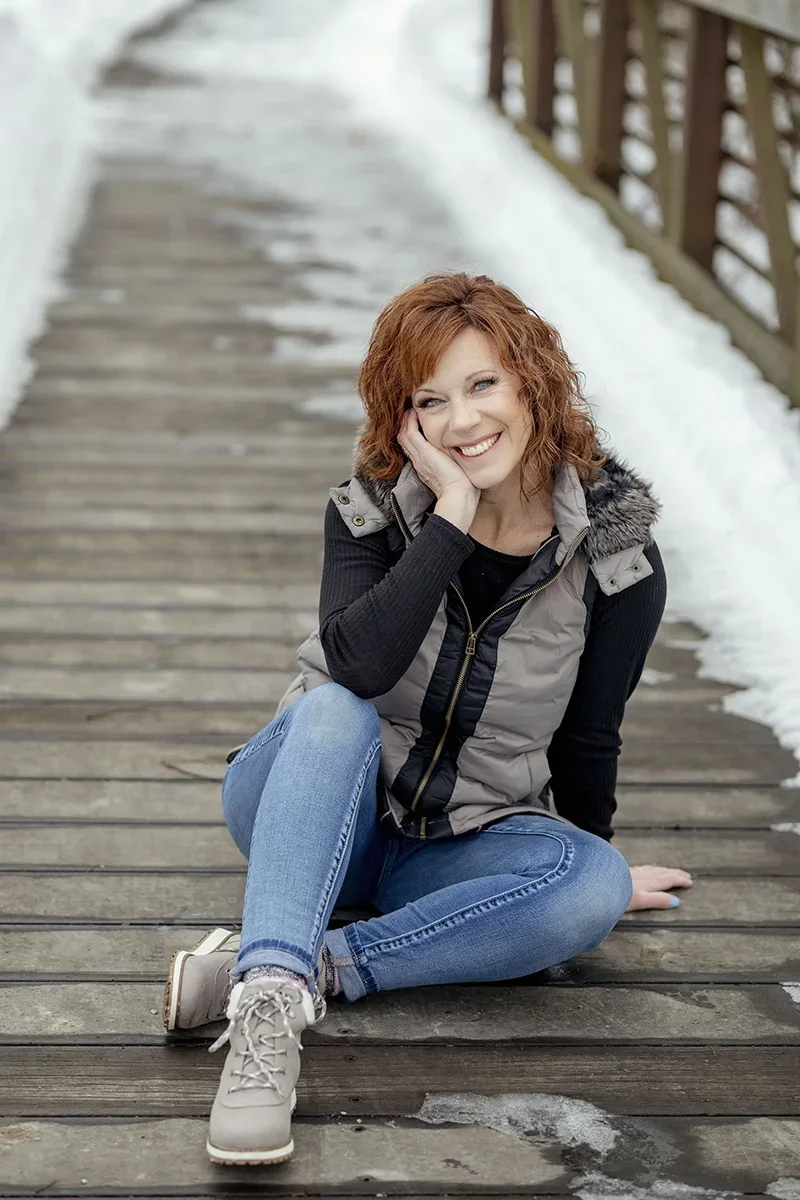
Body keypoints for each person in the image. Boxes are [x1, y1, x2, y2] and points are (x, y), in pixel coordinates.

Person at [162, 273, 691, 1166]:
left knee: (589, 880)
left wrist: (587, 874)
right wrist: (449, 515)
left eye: (484, 385)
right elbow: (359, 669)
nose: (461, 421)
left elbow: (590, 734)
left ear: (534, 384)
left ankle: (277, 974)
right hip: (309, 800)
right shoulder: (370, 511)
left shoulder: (615, 560)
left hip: (452, 845)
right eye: (430, 399)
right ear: (403, 418)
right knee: (334, 709)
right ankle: (263, 1046)